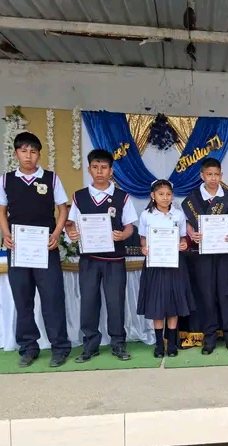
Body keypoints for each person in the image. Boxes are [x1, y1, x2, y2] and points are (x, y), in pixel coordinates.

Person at [0, 131, 71, 368]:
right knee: (23, 299)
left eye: (33, 151)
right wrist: (6, 234)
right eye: (24, 151)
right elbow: (1, 212)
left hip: (46, 247)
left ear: (39, 154)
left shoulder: (51, 179)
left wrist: (56, 233)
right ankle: (28, 347)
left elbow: (63, 209)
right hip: (18, 248)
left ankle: (60, 347)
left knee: (52, 298)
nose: (28, 156)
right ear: (16, 153)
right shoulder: (6, 180)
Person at [66, 149, 137, 363]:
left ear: (111, 171)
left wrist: (123, 234)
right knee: (88, 302)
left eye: (104, 167)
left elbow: (129, 226)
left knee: (116, 302)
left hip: (114, 260)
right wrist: (72, 233)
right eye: (95, 167)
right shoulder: (79, 196)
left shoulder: (122, 197)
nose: (99, 172)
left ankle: (118, 343)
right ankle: (90, 345)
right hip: (89, 259)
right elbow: (71, 224)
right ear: (89, 170)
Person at [182, 157, 228, 355]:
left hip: (223, 253)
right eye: (209, 174)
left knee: (225, 295)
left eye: (216, 174)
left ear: (221, 175)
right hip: (203, 254)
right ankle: (210, 338)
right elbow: (186, 222)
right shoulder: (192, 199)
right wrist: (192, 234)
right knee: (207, 295)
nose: (213, 178)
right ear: (202, 176)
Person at [137, 179, 195, 358]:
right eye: (161, 194)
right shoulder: (146, 215)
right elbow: (143, 240)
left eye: (168, 194)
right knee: (157, 304)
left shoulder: (178, 215)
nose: (165, 197)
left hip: (174, 264)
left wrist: (183, 245)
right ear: (153, 196)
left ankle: (171, 344)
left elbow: (183, 238)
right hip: (155, 265)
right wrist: (144, 248)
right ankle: (158, 344)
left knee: (173, 303)